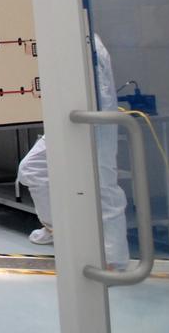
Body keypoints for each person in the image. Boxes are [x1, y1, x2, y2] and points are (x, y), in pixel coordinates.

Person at [17, 35, 128, 267]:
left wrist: (91, 121)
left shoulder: (88, 41)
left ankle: (114, 259)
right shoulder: (58, 32)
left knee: (104, 186)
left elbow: (101, 94)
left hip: (94, 123)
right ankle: (55, 228)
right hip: (65, 120)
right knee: (31, 169)